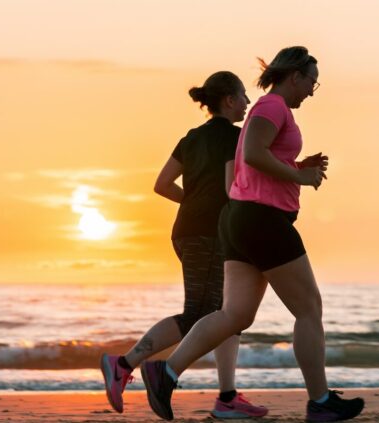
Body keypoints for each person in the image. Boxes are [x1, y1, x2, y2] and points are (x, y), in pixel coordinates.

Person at [140, 47, 365, 422]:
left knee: (234, 315)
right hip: (263, 221)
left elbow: (255, 162)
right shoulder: (272, 107)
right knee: (309, 309)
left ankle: (165, 372)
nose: (312, 89)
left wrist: (295, 164)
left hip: (241, 220)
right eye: (312, 80)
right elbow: (255, 155)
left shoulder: (265, 110)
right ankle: (320, 401)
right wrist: (300, 176)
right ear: (295, 76)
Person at [100, 71, 267, 419]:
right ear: (229, 100)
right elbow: (228, 189)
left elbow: (162, 184)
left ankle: (227, 397)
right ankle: (124, 363)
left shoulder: (190, 138)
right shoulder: (234, 138)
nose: (248, 103)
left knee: (227, 313)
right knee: (200, 312)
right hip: (210, 233)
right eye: (243, 97)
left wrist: (191, 203)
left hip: (189, 230)